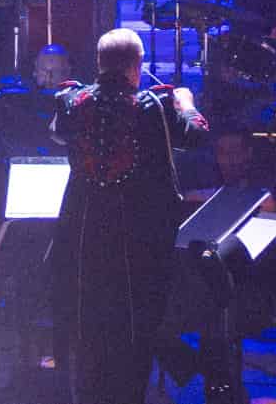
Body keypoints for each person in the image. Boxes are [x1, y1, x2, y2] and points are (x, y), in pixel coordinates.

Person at [50, 27, 208, 403]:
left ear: (99, 64)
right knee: (134, 345)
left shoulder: (72, 102)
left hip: (84, 251)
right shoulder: (155, 107)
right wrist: (186, 100)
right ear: (137, 68)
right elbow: (197, 134)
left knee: (90, 347)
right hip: (138, 253)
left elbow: (57, 133)